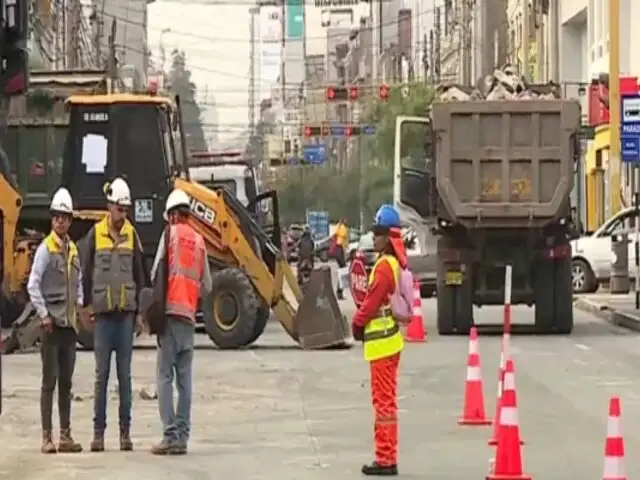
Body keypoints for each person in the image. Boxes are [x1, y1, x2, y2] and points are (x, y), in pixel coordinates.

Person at [80, 177, 147, 452]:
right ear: (110, 206)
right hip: (104, 318)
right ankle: (98, 433)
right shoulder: (95, 234)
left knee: (125, 378)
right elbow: (85, 272)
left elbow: (141, 277)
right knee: (101, 376)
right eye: (120, 209)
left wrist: (141, 314)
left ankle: (125, 434)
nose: (124, 214)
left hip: (126, 318)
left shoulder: (133, 235)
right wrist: (84, 308)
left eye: (126, 209)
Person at [150, 188, 212, 455]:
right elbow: (208, 286)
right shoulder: (200, 241)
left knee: (164, 377)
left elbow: (155, 273)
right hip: (188, 319)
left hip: (169, 318)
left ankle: (169, 435)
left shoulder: (170, 235)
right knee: (185, 381)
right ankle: (183, 438)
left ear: (174, 215)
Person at [351, 204, 407, 476]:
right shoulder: (389, 263)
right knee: (385, 402)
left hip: (382, 346)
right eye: (374, 232)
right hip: (386, 344)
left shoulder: (384, 267)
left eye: (379, 232)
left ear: (390, 237)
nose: (374, 237)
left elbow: (371, 303)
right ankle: (386, 455)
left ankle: (386, 459)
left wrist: (357, 323)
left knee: (383, 404)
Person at [27, 187, 83, 454]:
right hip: (51, 327)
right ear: (52, 220)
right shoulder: (45, 250)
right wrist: (43, 315)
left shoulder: (72, 250)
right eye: (56, 217)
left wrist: (80, 307)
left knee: (66, 383)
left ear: (70, 220)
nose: (60, 221)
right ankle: (47, 437)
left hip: (68, 327)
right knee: (49, 382)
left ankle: (65, 435)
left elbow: (78, 283)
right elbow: (32, 285)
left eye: (64, 217)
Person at [332, 217, 349, 299]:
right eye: (346, 220)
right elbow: (343, 240)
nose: (347, 221)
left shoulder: (340, 227)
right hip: (339, 249)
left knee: (342, 271)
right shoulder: (342, 228)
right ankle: (339, 292)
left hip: (339, 250)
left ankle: (339, 291)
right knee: (342, 271)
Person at [296, 224, 315, 290]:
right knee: (311, 266)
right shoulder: (310, 239)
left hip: (304, 257)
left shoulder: (302, 239)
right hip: (307, 257)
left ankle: (300, 280)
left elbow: (297, 246)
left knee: (299, 267)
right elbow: (313, 248)